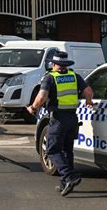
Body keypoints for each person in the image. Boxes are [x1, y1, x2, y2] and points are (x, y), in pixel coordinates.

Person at [26, 51, 94, 196]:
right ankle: (65, 183)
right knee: (67, 150)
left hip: (58, 119)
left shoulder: (50, 78)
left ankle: (70, 176)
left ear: (54, 64)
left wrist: (32, 108)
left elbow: (42, 96)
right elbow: (88, 91)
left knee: (52, 150)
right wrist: (88, 101)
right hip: (72, 118)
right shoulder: (74, 76)